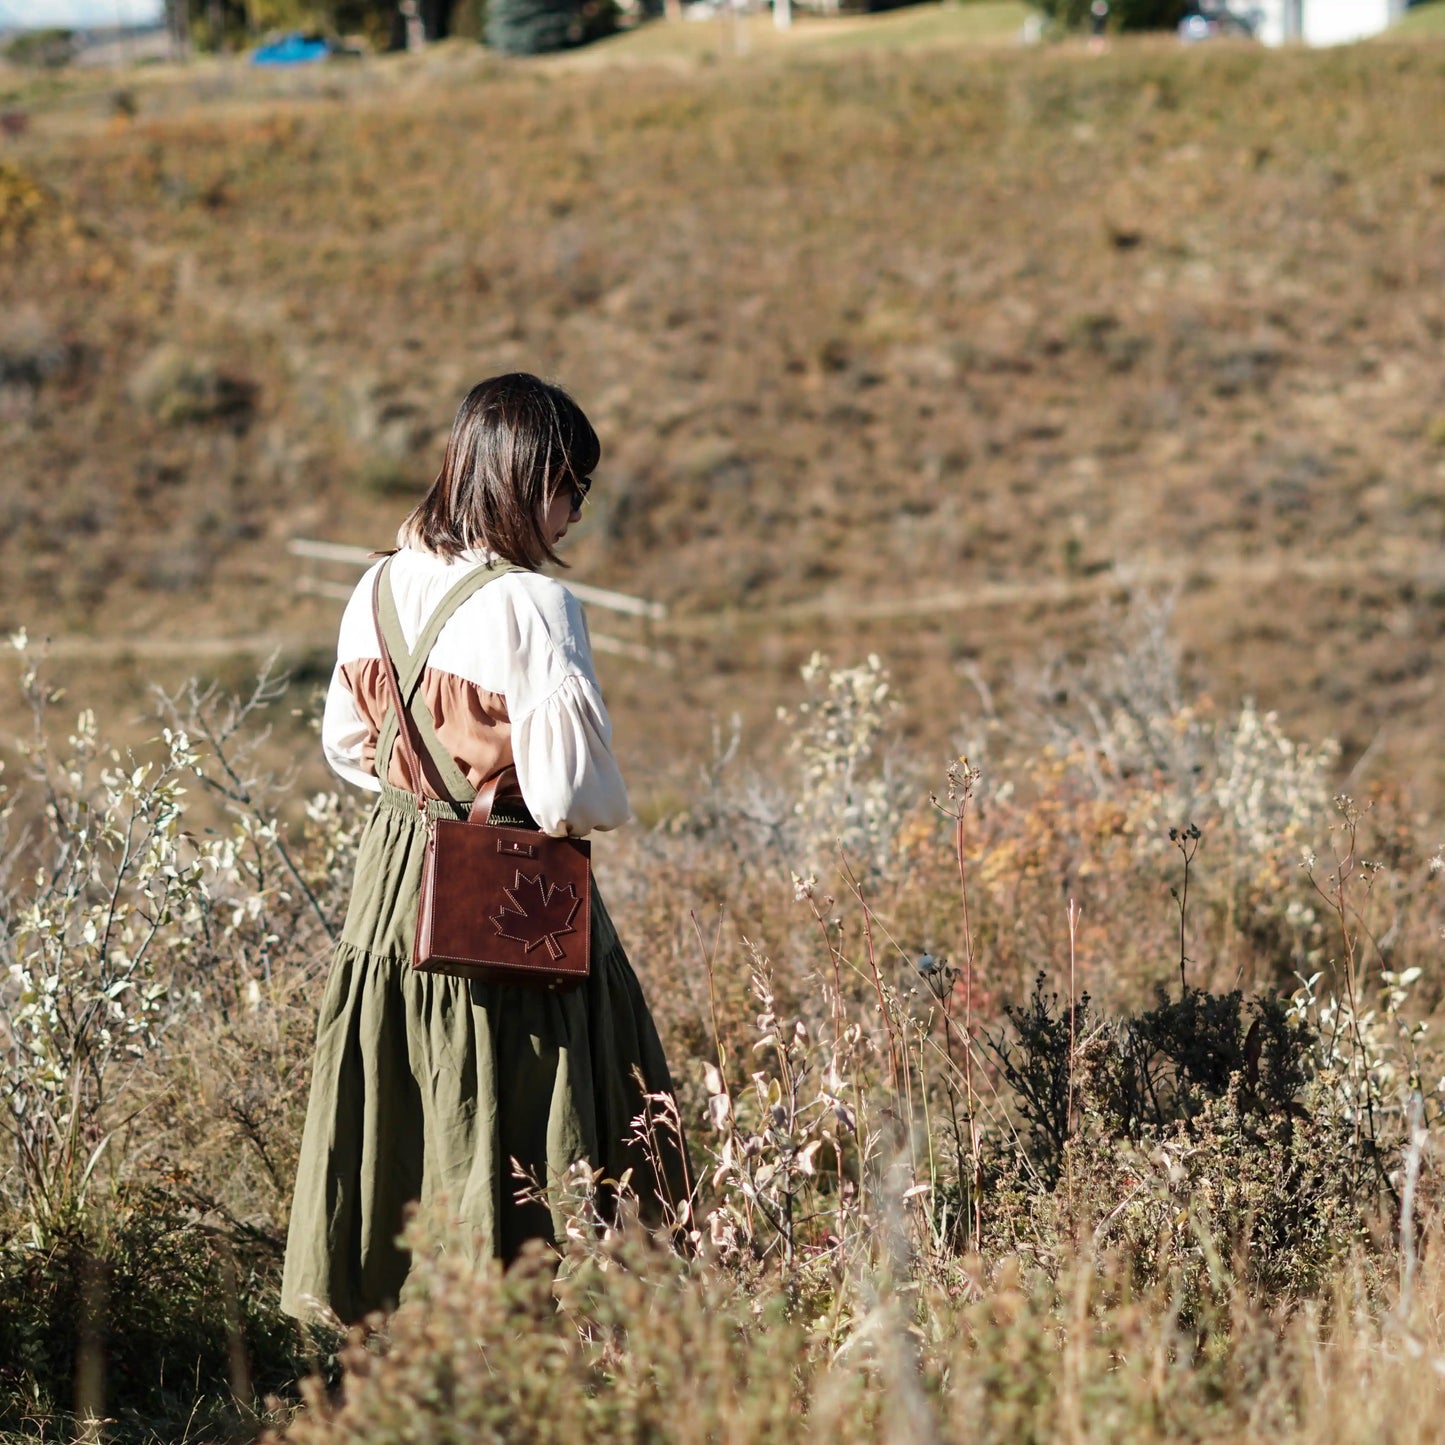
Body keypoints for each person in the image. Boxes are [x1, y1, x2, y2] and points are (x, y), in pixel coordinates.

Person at [281, 373, 685, 1323]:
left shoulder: (375, 582)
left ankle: (404, 1313)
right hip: (506, 885)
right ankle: (538, 1324)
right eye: (570, 486)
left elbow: (347, 746)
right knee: (538, 1084)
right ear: (523, 477)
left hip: (392, 879)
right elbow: (572, 795)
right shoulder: (537, 609)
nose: (576, 512)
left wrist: (423, 795)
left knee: (405, 1081)